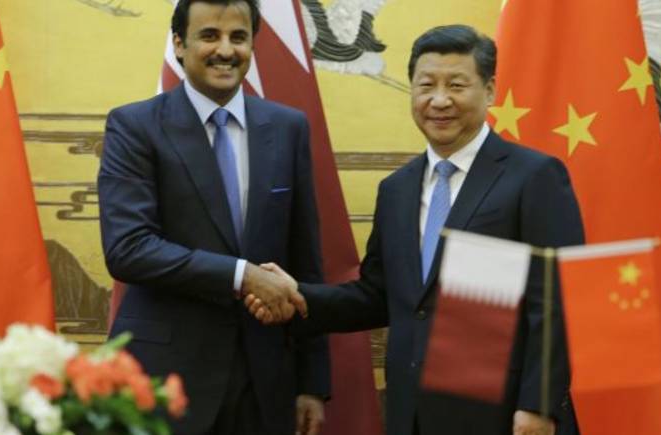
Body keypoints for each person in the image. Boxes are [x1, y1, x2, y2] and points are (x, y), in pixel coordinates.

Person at [247, 25, 584, 435]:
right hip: (413, 414)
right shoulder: (396, 189)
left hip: (505, 415)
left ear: (490, 90)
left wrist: (539, 405)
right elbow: (377, 296)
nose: (439, 100)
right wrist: (298, 297)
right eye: (426, 85)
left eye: (456, 85)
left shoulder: (534, 176)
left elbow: (560, 300)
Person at [97, 1, 328, 434]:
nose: (225, 50)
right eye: (209, 36)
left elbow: (305, 261)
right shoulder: (134, 126)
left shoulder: (288, 128)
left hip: (264, 383)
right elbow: (129, 249)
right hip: (164, 381)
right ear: (179, 44)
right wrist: (243, 276)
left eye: (238, 37)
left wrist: (311, 383)